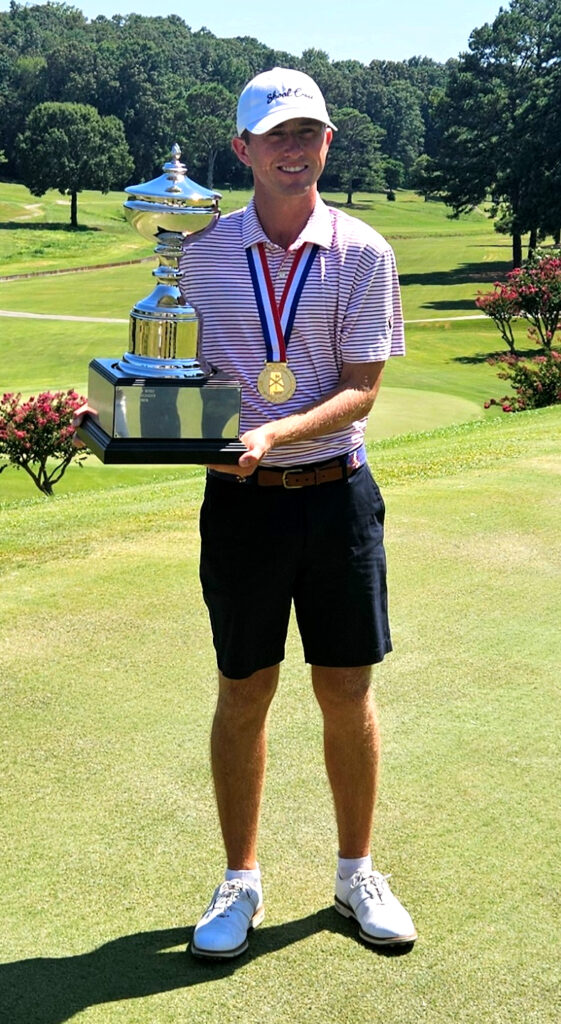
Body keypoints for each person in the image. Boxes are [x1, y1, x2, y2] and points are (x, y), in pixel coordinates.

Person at [176, 66, 417, 959]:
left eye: (307, 132)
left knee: (345, 689)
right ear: (241, 149)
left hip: (336, 499)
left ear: (327, 143)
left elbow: (360, 390)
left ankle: (355, 872)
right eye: (274, 134)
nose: (292, 148)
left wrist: (271, 435)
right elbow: (173, 376)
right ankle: (240, 879)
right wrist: (141, 427)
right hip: (239, 504)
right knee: (244, 691)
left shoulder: (363, 251)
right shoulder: (192, 248)